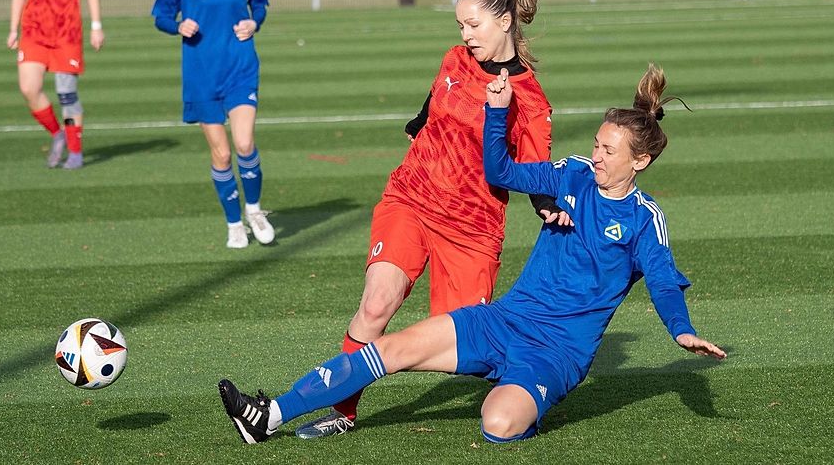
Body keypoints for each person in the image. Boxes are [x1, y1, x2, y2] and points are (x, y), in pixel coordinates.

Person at [218, 64, 727, 444]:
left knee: (498, 424)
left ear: (639, 161)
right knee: (388, 350)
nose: (596, 154)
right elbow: (502, 172)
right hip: (503, 320)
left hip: (557, 354)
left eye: (608, 151)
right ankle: (269, 415)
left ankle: (525, 397)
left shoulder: (644, 219)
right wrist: (498, 112)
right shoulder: (571, 173)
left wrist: (680, 329)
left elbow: (662, 278)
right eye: (596, 143)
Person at [293, 0, 569, 439]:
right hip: (412, 197)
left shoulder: (530, 99)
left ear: (505, 22)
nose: (465, 35)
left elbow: (534, 168)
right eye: (460, 25)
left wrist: (548, 204)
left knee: (472, 349)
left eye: (473, 25)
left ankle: (533, 383)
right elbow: (434, 98)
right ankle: (344, 411)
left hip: (471, 229)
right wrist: (418, 122)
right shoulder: (453, 58)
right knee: (376, 305)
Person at [151, 0, 274, 249]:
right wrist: (177, 25)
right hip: (201, 74)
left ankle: (255, 210)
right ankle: (234, 223)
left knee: (244, 143)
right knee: (221, 154)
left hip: (240, 68)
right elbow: (160, 14)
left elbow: (259, 5)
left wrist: (254, 22)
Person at [8, 0, 104, 170]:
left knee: (66, 93)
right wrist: (13, 29)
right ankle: (57, 133)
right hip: (33, 31)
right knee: (29, 88)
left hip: (66, 34)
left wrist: (96, 25)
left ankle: (74, 153)